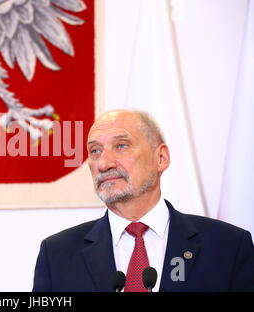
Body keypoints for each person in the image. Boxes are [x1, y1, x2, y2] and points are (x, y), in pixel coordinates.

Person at [32, 109, 254, 292]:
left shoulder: (228, 246)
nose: (104, 163)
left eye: (121, 145)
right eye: (95, 150)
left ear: (161, 158)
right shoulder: (57, 255)